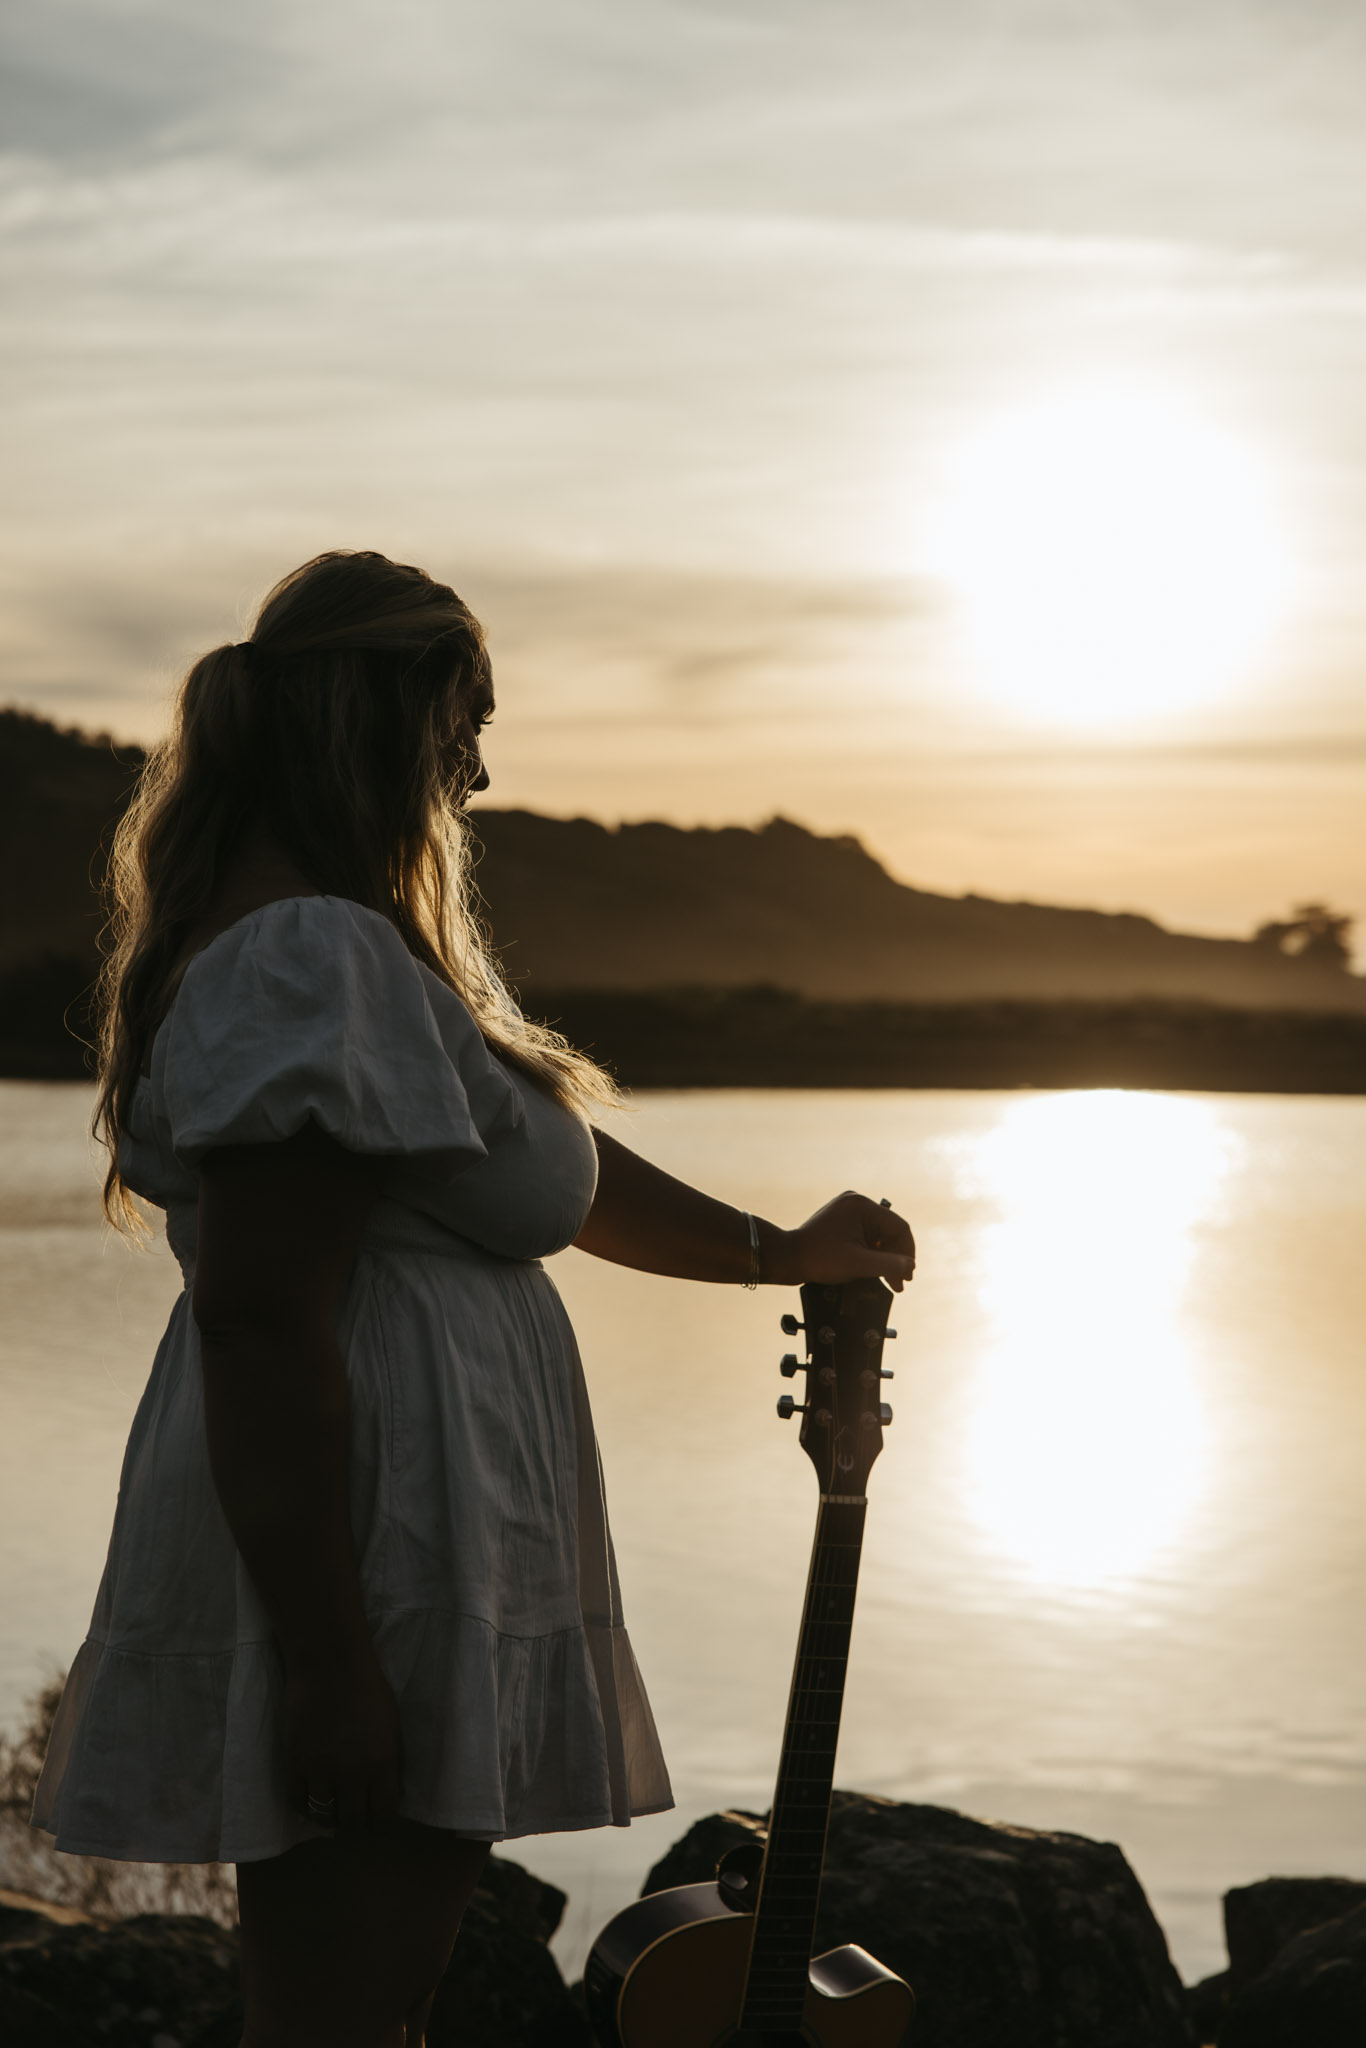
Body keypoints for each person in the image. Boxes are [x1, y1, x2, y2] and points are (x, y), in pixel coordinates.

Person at [32, 550, 915, 2048]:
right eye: (465, 722)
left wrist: (780, 1249)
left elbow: (549, 1176)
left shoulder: (347, 954)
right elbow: (262, 1319)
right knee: (341, 2013)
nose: (479, 772)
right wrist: (329, 1664)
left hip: (408, 1525)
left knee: (373, 2002)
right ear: (381, 719)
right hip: (374, 1534)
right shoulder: (312, 955)